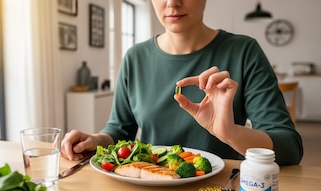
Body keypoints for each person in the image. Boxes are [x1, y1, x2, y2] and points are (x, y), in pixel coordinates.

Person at [61, 0, 303, 165]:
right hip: (149, 180)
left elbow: (290, 147)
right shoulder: (135, 57)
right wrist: (95, 140)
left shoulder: (244, 51)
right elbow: (119, 130)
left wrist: (231, 134)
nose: (173, 2)